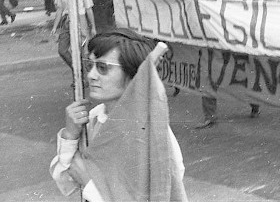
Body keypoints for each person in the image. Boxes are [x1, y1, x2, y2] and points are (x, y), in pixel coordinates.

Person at [49, 29, 188, 200]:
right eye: (89, 65)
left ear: (132, 75)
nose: (91, 75)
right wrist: (69, 136)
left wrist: (89, 182)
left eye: (102, 68)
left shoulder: (152, 132)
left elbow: (161, 193)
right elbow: (66, 181)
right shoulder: (94, 118)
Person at [196, 0, 260, 128]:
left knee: (241, 76)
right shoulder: (208, 0)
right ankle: (209, 115)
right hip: (215, 44)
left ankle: (254, 103)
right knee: (209, 77)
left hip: (233, 43)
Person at [51, 0, 97, 73]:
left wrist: (93, 27)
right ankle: (77, 71)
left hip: (80, 19)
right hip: (67, 20)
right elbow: (60, 10)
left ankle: (82, 78)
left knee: (82, 50)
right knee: (62, 50)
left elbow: (89, 9)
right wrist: (55, 27)